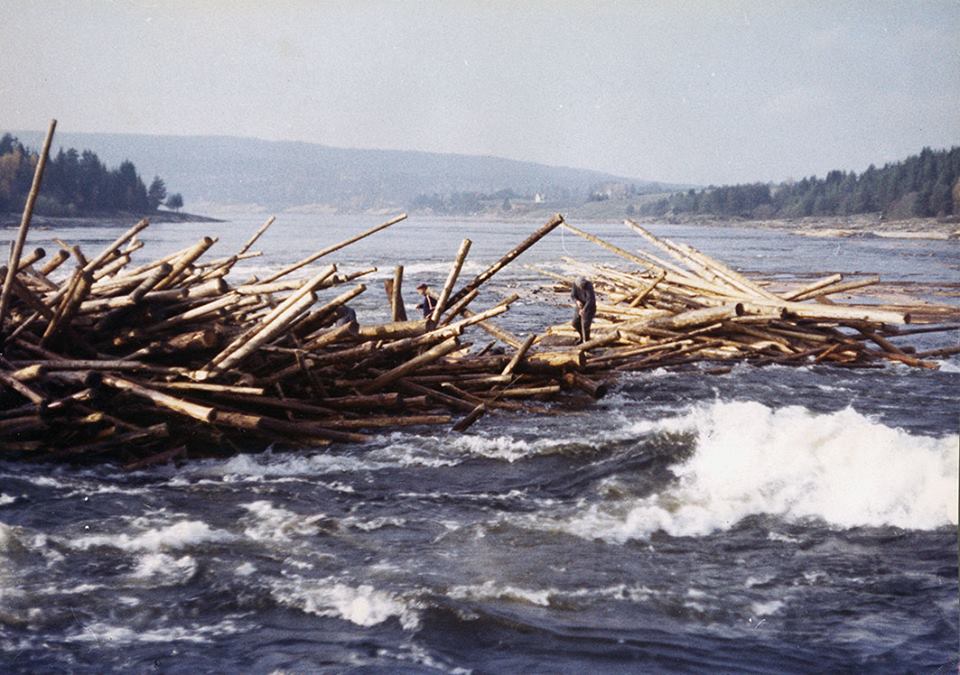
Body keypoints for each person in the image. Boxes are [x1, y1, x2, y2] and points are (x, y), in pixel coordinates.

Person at [571, 277, 596, 343]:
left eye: (582, 286)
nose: (582, 288)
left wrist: (584, 309)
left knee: (585, 325)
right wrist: (577, 301)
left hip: (589, 307)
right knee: (575, 323)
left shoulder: (589, 285)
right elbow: (573, 296)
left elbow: (590, 300)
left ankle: (586, 341)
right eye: (580, 286)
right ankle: (582, 337)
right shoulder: (575, 284)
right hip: (579, 306)